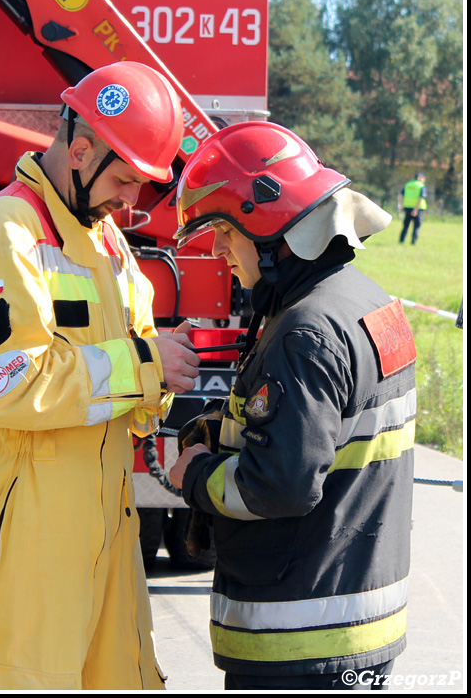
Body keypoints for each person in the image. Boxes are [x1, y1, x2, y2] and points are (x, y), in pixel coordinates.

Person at [0, 61, 201, 691]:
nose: (132, 200)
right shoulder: (7, 232)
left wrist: (162, 374)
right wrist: (144, 364)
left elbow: (125, 374)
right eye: (126, 179)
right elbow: (8, 385)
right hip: (29, 513)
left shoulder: (107, 238)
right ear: (80, 150)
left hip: (106, 510)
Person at [169, 121, 416, 691]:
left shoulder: (304, 333)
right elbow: (332, 434)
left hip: (300, 643)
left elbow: (279, 485)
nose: (216, 249)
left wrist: (195, 474)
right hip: (356, 623)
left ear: (269, 224)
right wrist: (222, 430)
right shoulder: (366, 302)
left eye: (224, 230)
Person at [398, 171, 428, 244]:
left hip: (407, 207)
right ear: (419, 178)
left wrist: (401, 205)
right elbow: (421, 197)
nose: (424, 180)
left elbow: (400, 195)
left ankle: (401, 241)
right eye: (423, 178)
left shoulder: (408, 184)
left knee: (405, 226)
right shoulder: (421, 185)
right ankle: (413, 243)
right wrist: (416, 209)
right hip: (418, 209)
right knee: (416, 227)